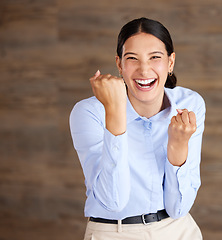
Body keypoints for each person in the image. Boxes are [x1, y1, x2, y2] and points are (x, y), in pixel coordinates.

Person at [69, 17, 205, 240]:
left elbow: (178, 208)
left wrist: (178, 145)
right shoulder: (89, 112)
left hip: (178, 230)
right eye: (132, 58)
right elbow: (113, 201)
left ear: (170, 63)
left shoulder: (190, 104)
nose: (144, 69)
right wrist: (114, 110)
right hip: (114, 232)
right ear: (119, 64)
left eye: (155, 57)